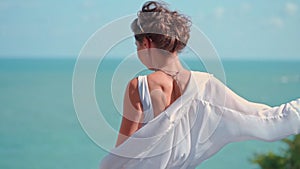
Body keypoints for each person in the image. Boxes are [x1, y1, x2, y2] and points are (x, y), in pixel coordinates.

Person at [100, 1, 300, 169]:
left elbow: (122, 154)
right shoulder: (207, 86)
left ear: (147, 44)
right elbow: (268, 121)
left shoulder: (139, 86)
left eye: (137, 46)